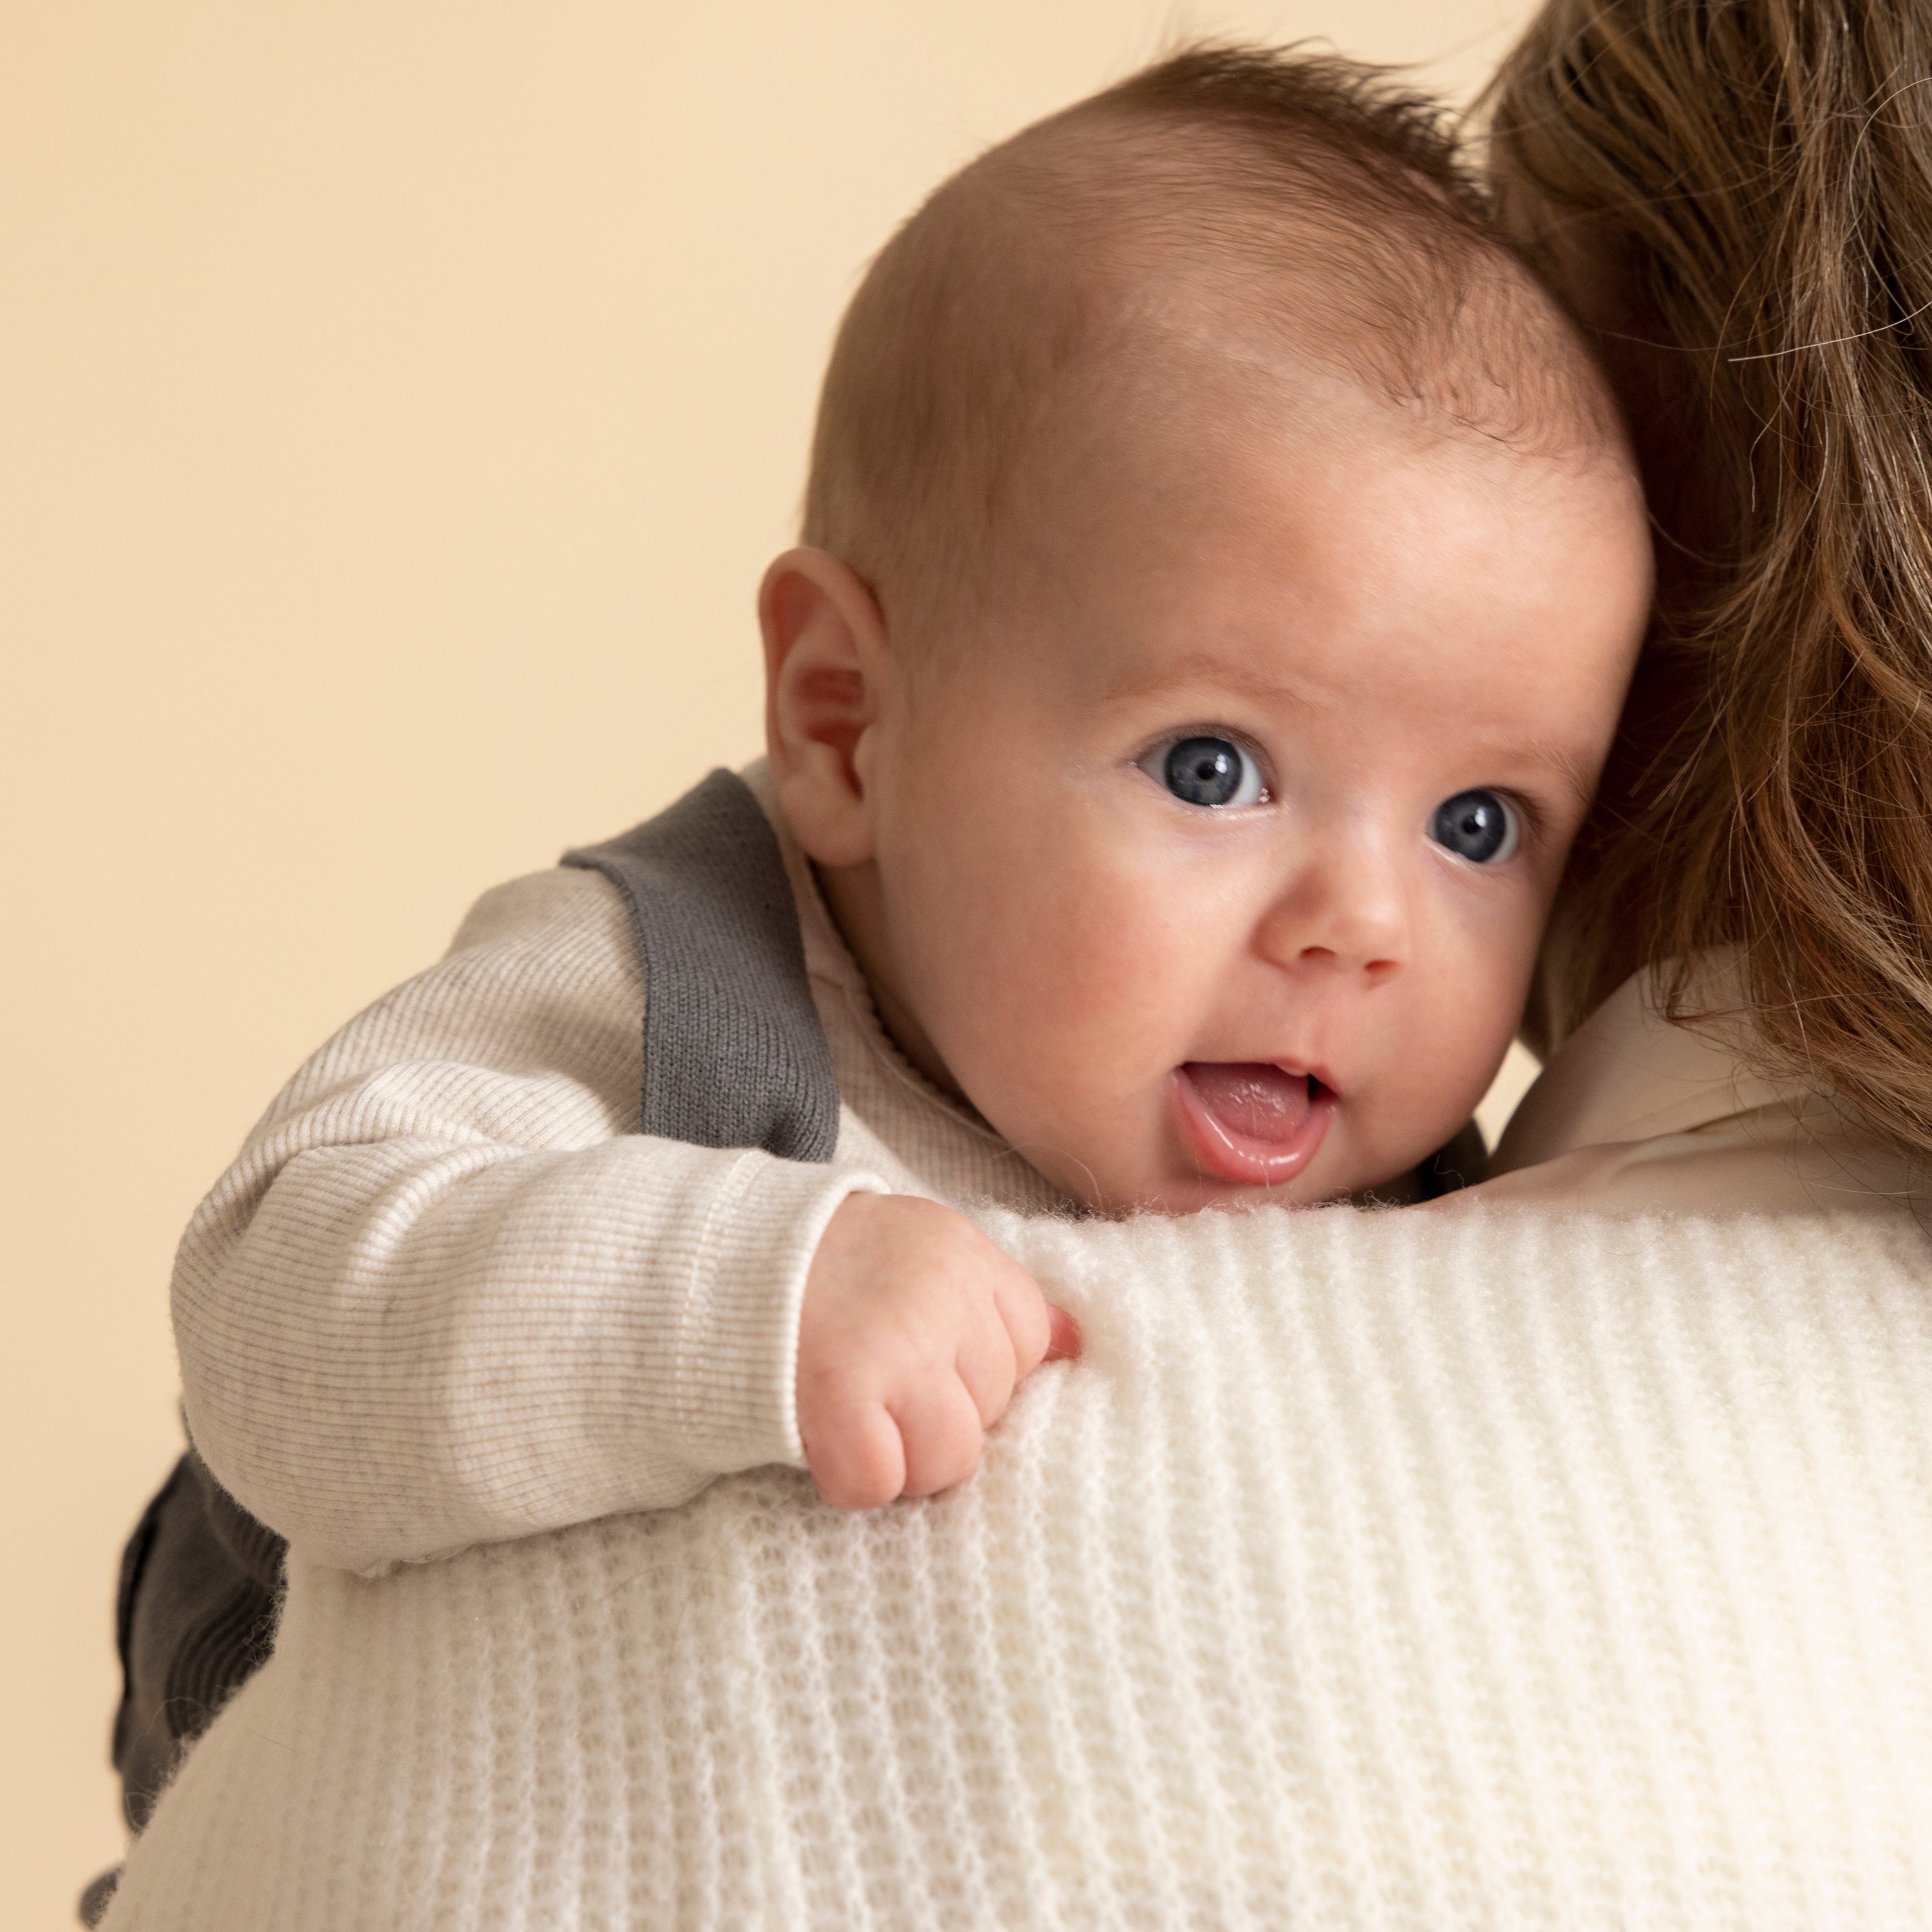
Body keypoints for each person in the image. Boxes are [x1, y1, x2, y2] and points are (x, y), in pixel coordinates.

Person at [91, 19, 1932, 1929]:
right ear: (842, 716)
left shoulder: (1437, 1198)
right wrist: (744, 1287)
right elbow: (274, 1283)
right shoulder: (677, 986)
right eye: (1212, 767)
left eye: (1478, 826)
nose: (1361, 925)